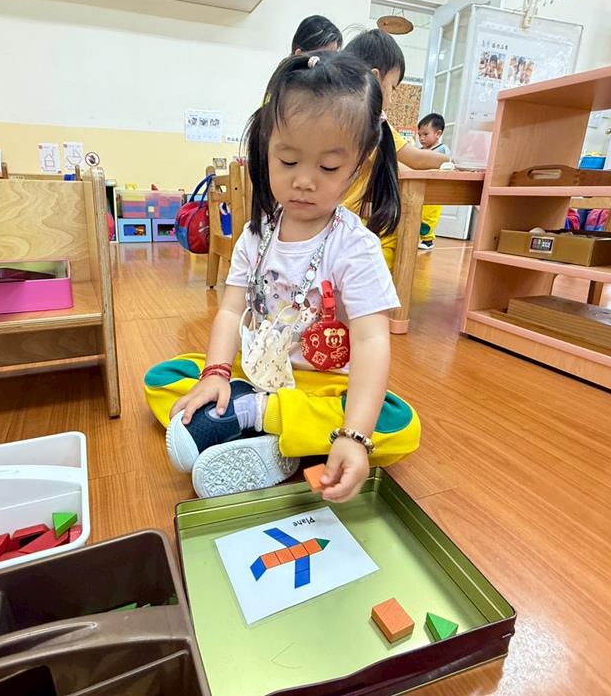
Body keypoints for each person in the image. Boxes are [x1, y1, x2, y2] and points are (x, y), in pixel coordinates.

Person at [144, 52, 420, 503]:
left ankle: (254, 421)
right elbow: (230, 310)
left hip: (322, 387)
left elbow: (372, 341)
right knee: (164, 377)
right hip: (254, 373)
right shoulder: (256, 234)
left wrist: (354, 435)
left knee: (398, 424)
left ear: (360, 164)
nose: (304, 181)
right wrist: (215, 373)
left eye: (328, 168)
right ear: (265, 149)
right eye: (288, 161)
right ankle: (279, 438)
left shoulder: (355, 246)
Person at [341, 29, 446, 268]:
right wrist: (453, 160)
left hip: (337, 216)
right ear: (375, 78)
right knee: (395, 234)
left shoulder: (340, 114)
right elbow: (414, 159)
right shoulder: (372, 122)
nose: (392, 96)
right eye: (393, 87)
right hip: (346, 221)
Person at [416, 113, 452, 251]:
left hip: (434, 190)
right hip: (420, 189)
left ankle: (428, 239)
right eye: (419, 135)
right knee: (416, 214)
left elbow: (448, 166)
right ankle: (416, 237)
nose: (422, 138)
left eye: (426, 134)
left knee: (429, 216)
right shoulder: (420, 151)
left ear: (438, 134)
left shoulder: (442, 150)